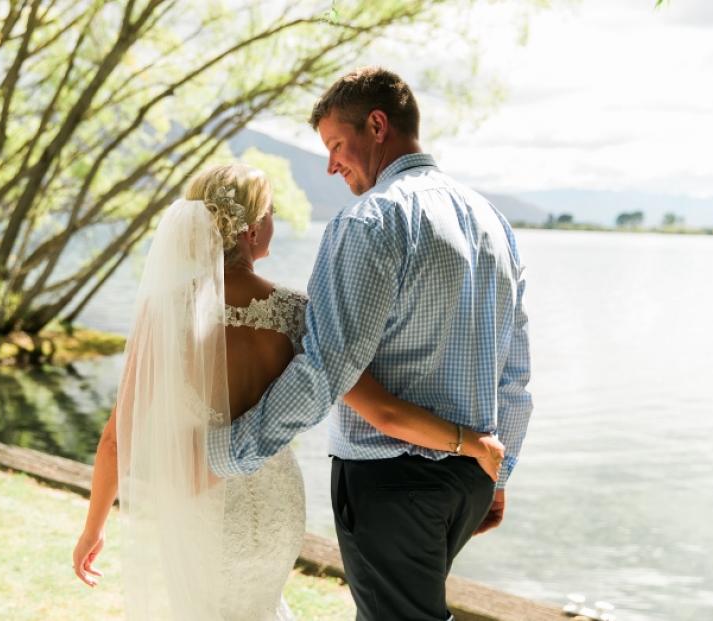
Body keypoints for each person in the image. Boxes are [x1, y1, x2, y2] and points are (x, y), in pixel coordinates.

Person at [72, 162, 505, 620]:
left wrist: (93, 528)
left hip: (199, 500)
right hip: (275, 503)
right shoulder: (296, 312)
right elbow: (382, 412)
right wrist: (468, 442)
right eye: (272, 213)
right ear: (253, 230)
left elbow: (117, 439)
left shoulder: (162, 312)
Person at [207, 67, 534, 621]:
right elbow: (515, 375)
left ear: (377, 125)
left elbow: (325, 368)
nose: (331, 164)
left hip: (390, 482)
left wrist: (231, 451)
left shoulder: (370, 220)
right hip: (468, 481)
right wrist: (496, 477)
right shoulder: (493, 223)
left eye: (336, 145)